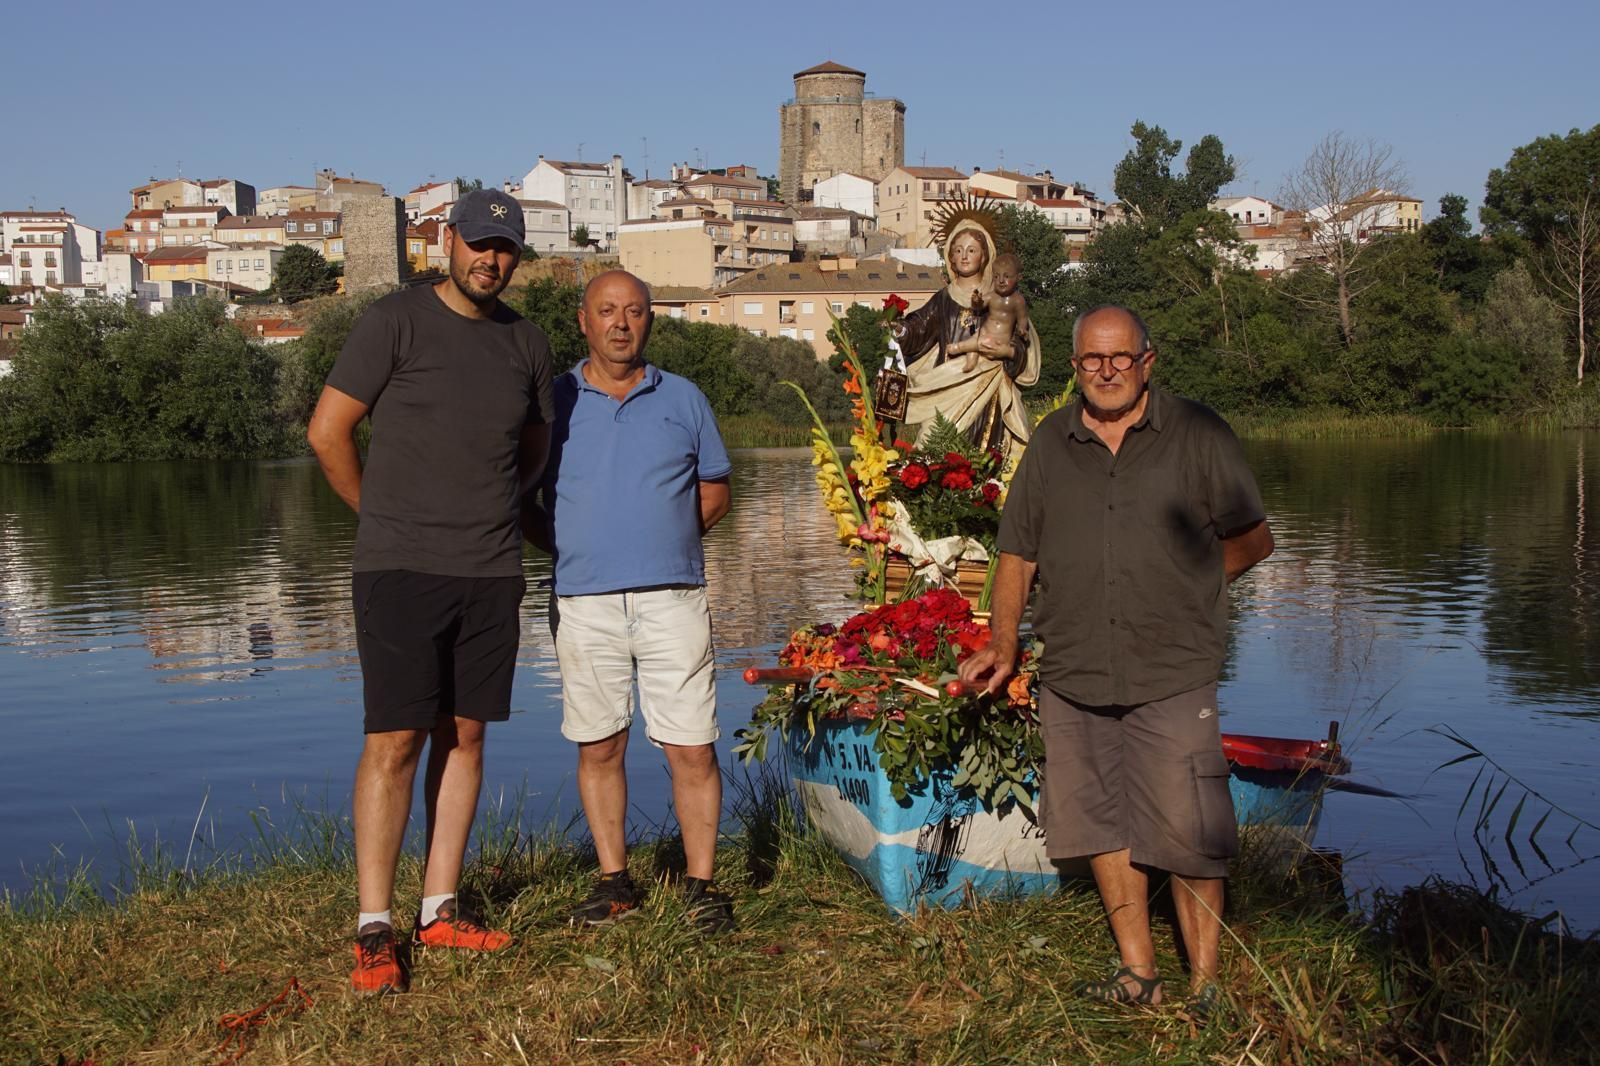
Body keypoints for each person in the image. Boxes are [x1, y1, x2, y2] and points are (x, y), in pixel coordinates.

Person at [959, 305, 1274, 1018]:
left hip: (1172, 668)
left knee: (1191, 834)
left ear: (1148, 362)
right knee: (1099, 824)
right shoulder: (1050, 442)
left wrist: (1191, 586)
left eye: (1120, 358)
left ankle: (1207, 987)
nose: (1106, 372)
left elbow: (1254, 540)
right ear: (1075, 367)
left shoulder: (1197, 433)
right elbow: (1016, 554)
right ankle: (1139, 970)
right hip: (1074, 670)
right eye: (1091, 361)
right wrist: (1003, 644)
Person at [307, 188, 554, 995]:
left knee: (467, 737)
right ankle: (374, 926)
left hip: (490, 572)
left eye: (506, 248)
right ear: (447, 242)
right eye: (480, 243)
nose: (491, 259)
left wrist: (494, 516)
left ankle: (439, 909)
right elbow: (327, 431)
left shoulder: (528, 345)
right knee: (395, 741)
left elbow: (533, 449)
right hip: (401, 568)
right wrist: (379, 516)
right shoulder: (395, 321)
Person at [537, 269, 736, 933]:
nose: (621, 323)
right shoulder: (553, 401)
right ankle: (614, 881)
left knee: (693, 747)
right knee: (599, 746)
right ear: (583, 320)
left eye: (635, 311)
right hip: (584, 601)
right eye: (607, 311)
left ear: (650, 320)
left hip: (673, 598)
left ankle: (702, 888)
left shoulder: (684, 399)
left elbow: (713, 491)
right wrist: (578, 549)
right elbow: (525, 501)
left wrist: (664, 539)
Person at [893, 217, 1040, 460]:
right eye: (958, 250)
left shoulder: (1002, 298)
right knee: (934, 446)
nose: (964, 256)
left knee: (987, 453)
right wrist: (901, 330)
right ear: (950, 256)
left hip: (989, 383)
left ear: (984, 256)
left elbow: (1020, 342)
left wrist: (1007, 353)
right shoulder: (943, 299)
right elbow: (919, 328)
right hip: (948, 383)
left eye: (971, 250)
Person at [947, 252, 1029, 374]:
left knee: (978, 343)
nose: (1001, 281)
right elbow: (979, 306)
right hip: (984, 332)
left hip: (999, 339)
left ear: (1018, 277)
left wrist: (1022, 330)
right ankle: (971, 361)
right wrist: (976, 301)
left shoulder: (1018, 301)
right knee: (975, 339)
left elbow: (1023, 319)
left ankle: (959, 347)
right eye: (996, 277)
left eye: (1006, 277)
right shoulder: (992, 296)